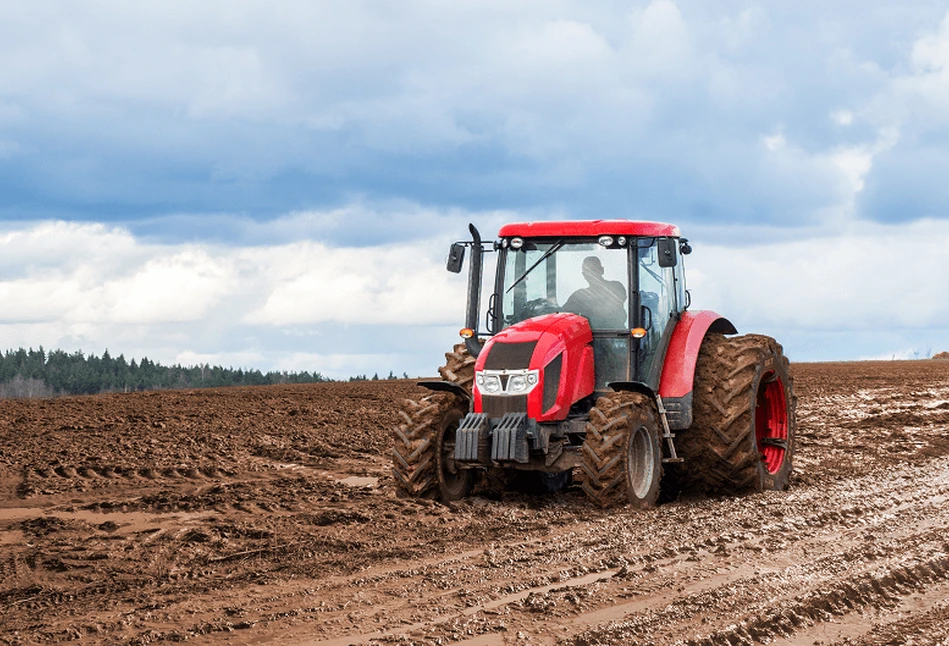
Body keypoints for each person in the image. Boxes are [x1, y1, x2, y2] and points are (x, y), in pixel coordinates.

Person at [562, 256, 627, 329]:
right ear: (584, 275)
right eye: (587, 272)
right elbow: (563, 314)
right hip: (592, 336)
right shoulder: (579, 295)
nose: (590, 274)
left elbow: (609, 308)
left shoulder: (615, 286)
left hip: (616, 335)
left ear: (602, 270)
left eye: (593, 270)